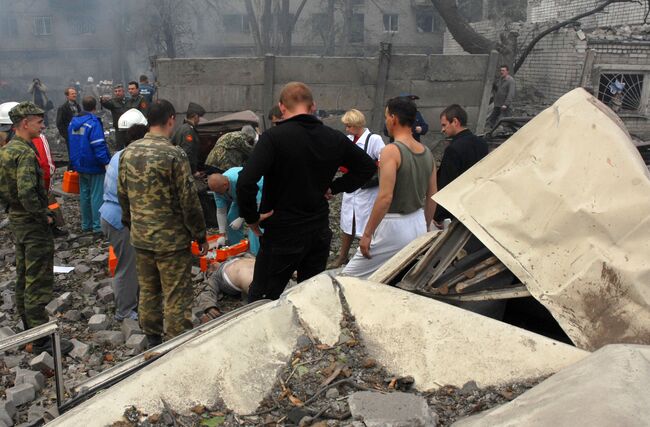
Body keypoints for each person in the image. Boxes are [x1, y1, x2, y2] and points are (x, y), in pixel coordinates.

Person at [237, 82, 376, 302]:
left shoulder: (273, 138)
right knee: (310, 298)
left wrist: (252, 218)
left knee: (262, 299)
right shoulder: (334, 138)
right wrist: (335, 187)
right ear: (313, 106)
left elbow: (245, 181)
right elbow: (367, 167)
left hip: (282, 233)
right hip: (318, 233)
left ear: (282, 107)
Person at [118, 99, 208, 345]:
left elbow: (122, 195)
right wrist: (200, 235)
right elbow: (189, 201)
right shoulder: (174, 154)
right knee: (176, 293)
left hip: (141, 237)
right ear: (171, 119)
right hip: (171, 241)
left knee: (148, 290)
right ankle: (177, 345)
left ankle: (153, 339)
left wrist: (132, 224)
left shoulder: (129, 153)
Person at [0, 102, 72, 355]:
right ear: (25, 123)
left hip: (19, 222)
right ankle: (42, 340)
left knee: (23, 277)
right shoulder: (25, 153)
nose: (43, 126)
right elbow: (28, 192)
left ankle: (29, 329)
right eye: (39, 122)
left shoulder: (7, 151)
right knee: (38, 281)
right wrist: (45, 216)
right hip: (32, 225)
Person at [343, 97, 437, 279]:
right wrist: (424, 226)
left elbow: (385, 197)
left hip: (394, 225)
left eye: (386, 116)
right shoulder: (427, 152)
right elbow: (433, 194)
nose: (386, 121)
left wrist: (367, 233)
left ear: (393, 118)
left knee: (350, 277)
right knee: (394, 275)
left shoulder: (391, 151)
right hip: (417, 221)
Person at [100, 109, 148, 321]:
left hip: (110, 215)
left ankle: (132, 304)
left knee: (131, 264)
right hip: (120, 218)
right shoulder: (132, 158)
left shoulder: (119, 154)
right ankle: (125, 312)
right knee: (127, 267)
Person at [334, 109, 385, 268]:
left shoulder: (373, 139)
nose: (347, 129)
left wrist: (374, 174)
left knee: (366, 225)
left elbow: (385, 160)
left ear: (357, 125)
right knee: (348, 222)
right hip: (352, 187)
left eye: (349, 126)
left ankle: (364, 258)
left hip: (367, 190)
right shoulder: (348, 139)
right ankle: (342, 257)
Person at [434, 104, 489, 225]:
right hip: (479, 209)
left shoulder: (453, 149)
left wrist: (438, 215)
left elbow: (447, 184)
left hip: (457, 212)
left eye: (444, 125)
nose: (442, 130)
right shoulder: (482, 143)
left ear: (455, 122)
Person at [69, 96, 111, 233]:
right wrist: (105, 162)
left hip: (80, 164)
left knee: (85, 195)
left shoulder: (73, 123)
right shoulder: (93, 123)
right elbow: (98, 145)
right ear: (95, 107)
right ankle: (98, 227)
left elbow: (72, 143)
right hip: (94, 166)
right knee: (97, 195)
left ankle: (86, 225)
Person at [207, 168, 263, 255]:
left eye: (218, 192)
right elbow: (221, 212)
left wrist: (242, 217)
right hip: (240, 198)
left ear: (225, 185)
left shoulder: (241, 181)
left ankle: (256, 255)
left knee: (254, 225)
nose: (217, 194)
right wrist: (222, 234)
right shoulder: (217, 188)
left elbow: (257, 204)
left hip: (261, 195)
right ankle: (236, 250)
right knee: (231, 221)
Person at [171, 102, 206, 176]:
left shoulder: (183, 128)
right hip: (185, 172)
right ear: (195, 116)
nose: (199, 120)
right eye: (199, 117)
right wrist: (193, 171)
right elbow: (187, 153)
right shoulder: (189, 131)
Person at [56, 87, 81, 166]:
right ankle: (71, 173)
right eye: (72, 94)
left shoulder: (78, 106)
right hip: (70, 135)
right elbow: (59, 124)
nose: (74, 95)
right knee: (72, 155)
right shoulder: (62, 108)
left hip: (80, 134)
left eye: (75, 93)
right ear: (67, 96)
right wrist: (67, 136)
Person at [487, 65, 516, 130]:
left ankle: (514, 131)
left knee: (507, 121)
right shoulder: (501, 79)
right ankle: (494, 131)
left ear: (507, 72)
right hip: (498, 104)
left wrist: (506, 104)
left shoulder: (510, 81)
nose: (501, 72)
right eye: (501, 70)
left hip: (504, 105)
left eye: (503, 70)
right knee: (492, 119)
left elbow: (511, 93)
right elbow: (499, 90)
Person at [101, 84, 129, 150]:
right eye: (116, 91)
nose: (117, 93)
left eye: (119, 91)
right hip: (119, 128)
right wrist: (102, 101)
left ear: (123, 92)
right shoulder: (112, 102)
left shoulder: (129, 100)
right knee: (120, 148)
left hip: (129, 128)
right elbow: (107, 104)